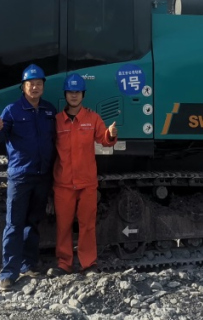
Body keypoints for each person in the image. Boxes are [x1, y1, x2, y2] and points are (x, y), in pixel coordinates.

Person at [0, 63, 57, 290]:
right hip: (20, 176)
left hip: (42, 175)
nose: (35, 88)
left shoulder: (49, 110)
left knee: (33, 223)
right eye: (30, 84)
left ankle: (29, 264)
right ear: (23, 87)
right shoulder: (12, 110)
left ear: (43, 86)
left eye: (38, 84)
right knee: (14, 225)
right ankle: (8, 272)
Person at [51, 73, 117, 275]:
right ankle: (64, 264)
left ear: (83, 94)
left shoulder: (92, 118)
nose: (74, 95)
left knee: (87, 225)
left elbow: (104, 140)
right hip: (63, 183)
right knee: (63, 225)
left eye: (77, 92)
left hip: (87, 183)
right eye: (70, 92)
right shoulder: (57, 121)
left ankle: (88, 264)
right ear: (65, 94)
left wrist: (111, 135)